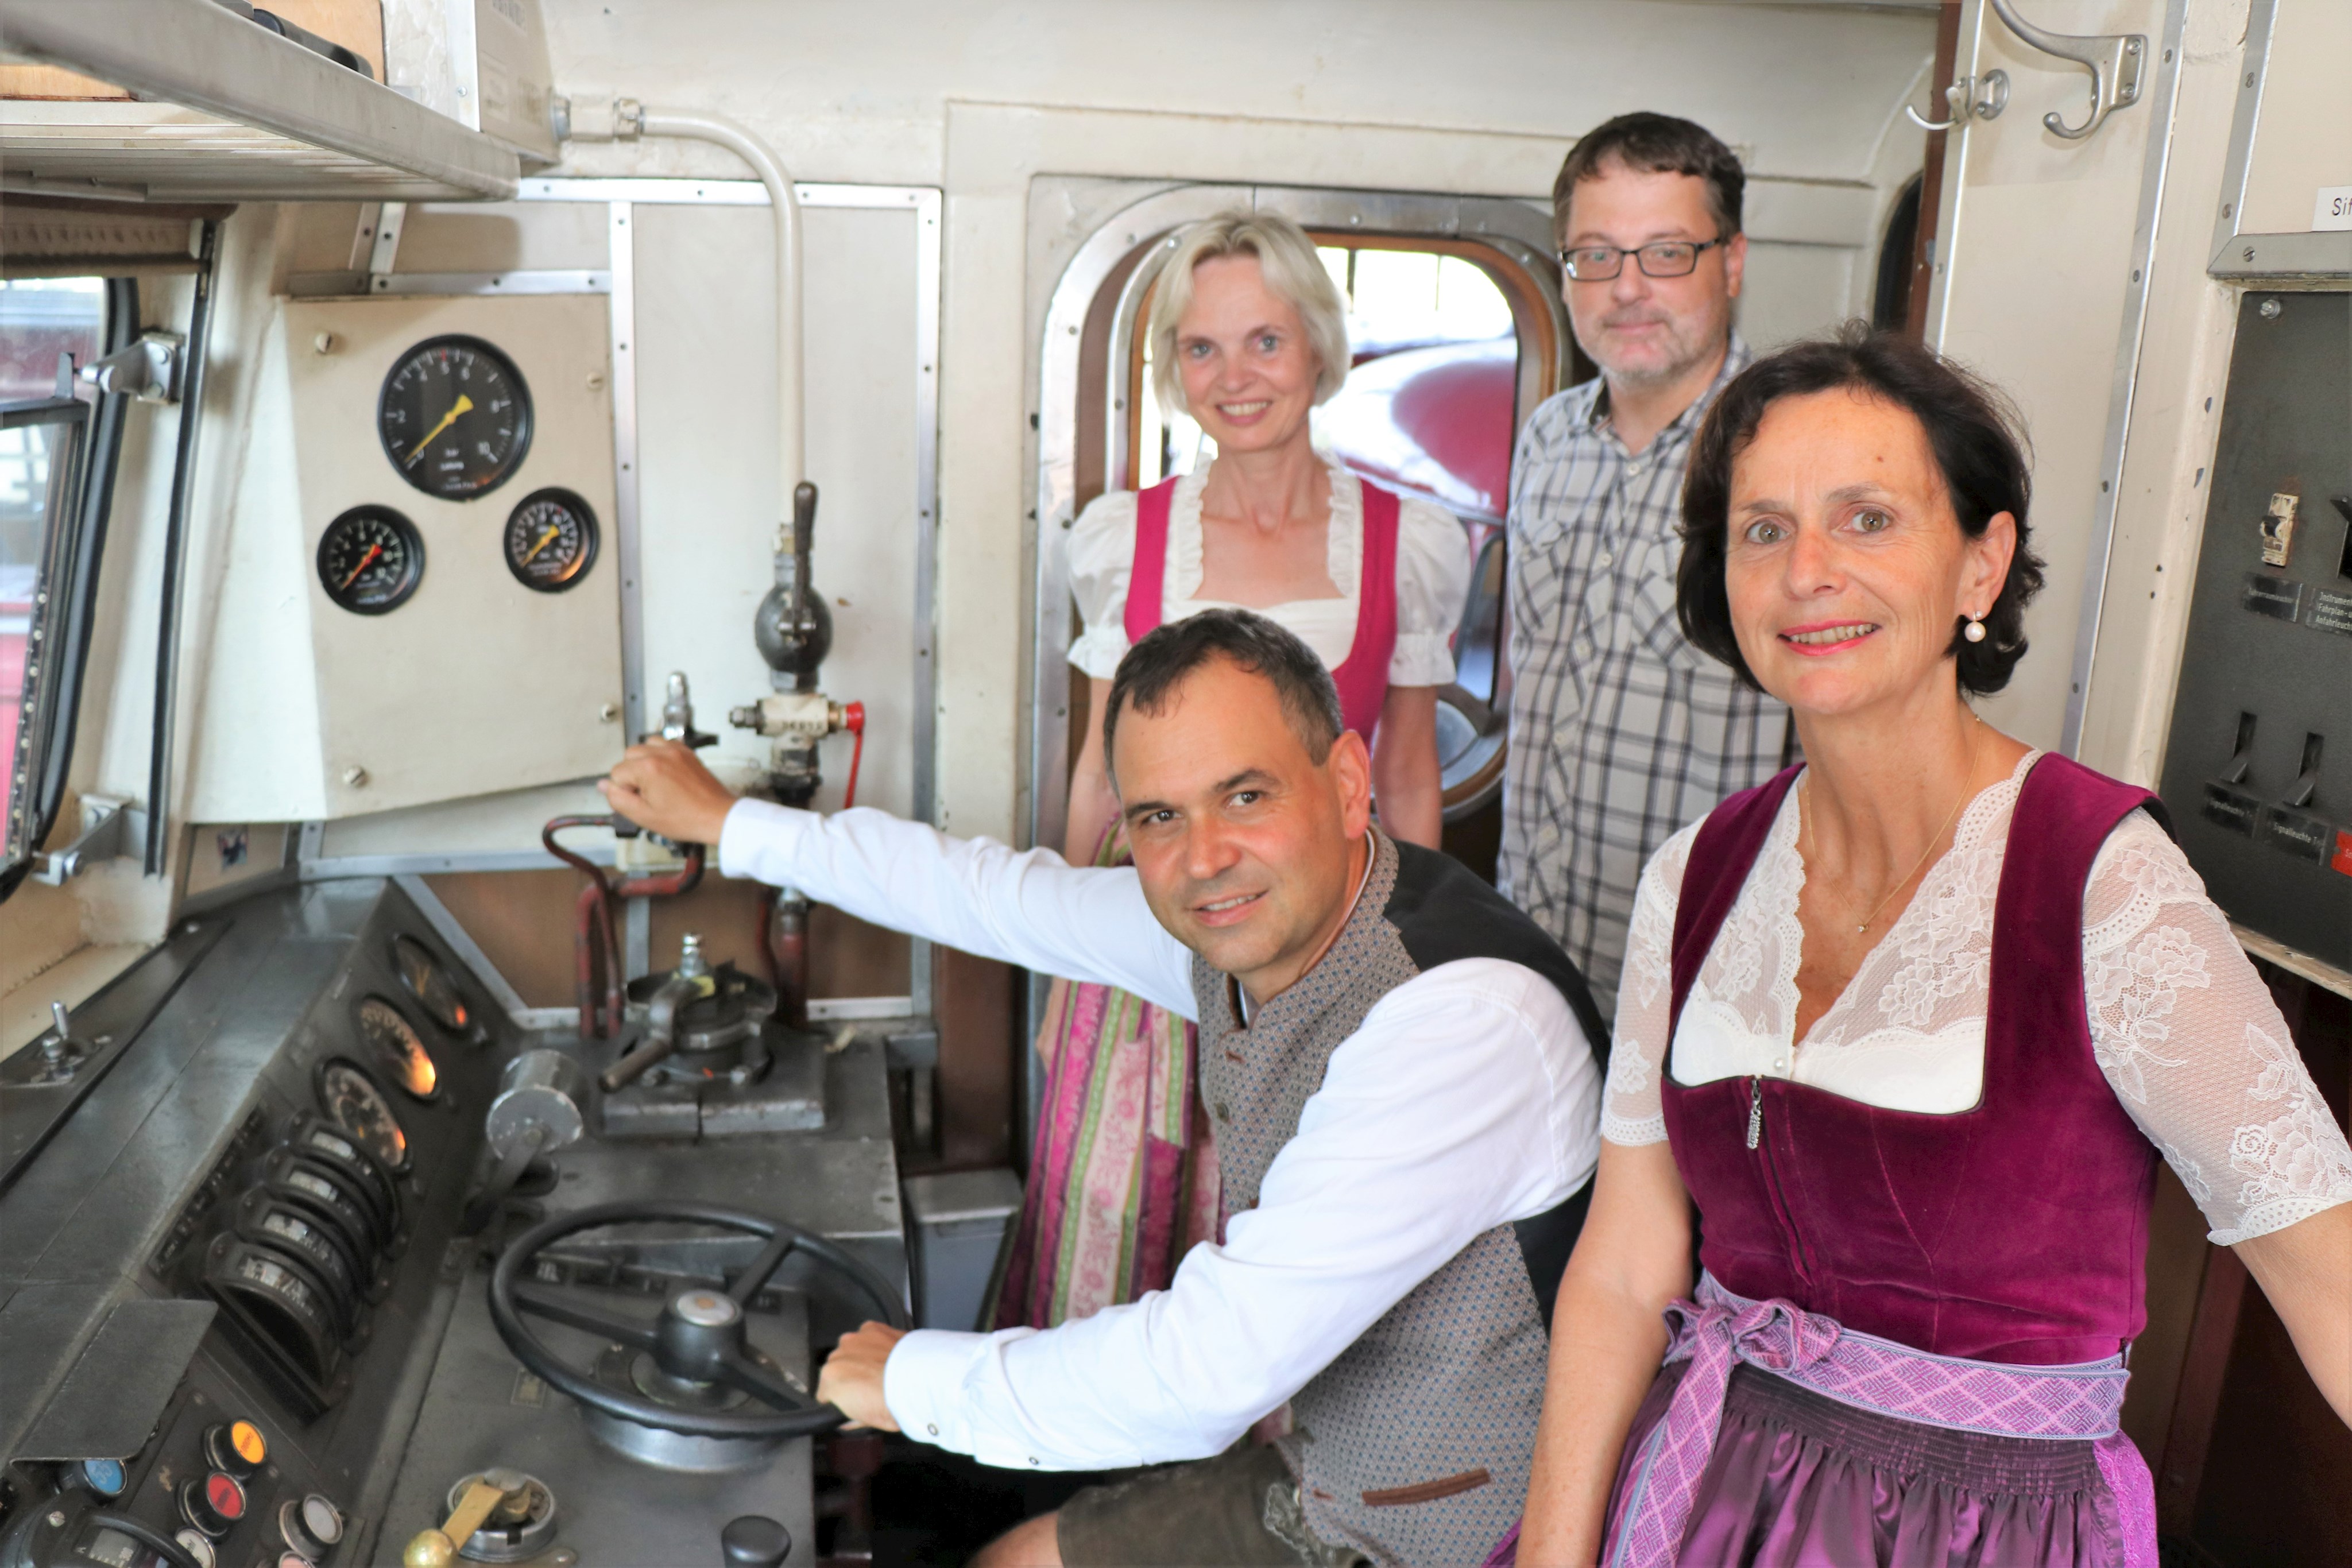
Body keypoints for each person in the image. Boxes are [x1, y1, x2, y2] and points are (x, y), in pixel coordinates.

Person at [1499, 329, 2352, 1567]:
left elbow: (2327, 1277)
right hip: (1695, 1492)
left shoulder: (2101, 882)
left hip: (1982, 1529)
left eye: (1866, 519)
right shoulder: (1693, 875)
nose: (1807, 573)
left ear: (1978, 564)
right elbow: (1630, 1267)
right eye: (1762, 530)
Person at [603, 610, 1604, 1568]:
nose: (1205, 856)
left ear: (1347, 783)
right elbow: (994, 896)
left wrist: (911, 1380)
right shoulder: (1250, 922)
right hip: (1338, 1464)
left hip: (1468, 1529)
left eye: (1246, 795)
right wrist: (733, 824)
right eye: (1160, 816)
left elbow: (1212, 1365)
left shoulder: (1457, 1026)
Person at [997, 210, 1472, 1337]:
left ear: (1317, 348)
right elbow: (1099, 776)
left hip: (1323, 936)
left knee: (1285, 1233)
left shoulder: (1407, 542)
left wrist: (1411, 971)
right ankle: (1101, 1485)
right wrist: (1067, 971)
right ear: (1172, 371)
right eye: (1200, 349)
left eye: (1263, 341)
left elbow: (1404, 777)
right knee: (1117, 1215)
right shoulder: (1126, 537)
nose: (1234, 375)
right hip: (1148, 931)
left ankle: (1254, 1491)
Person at [1503, 112, 1789, 1020]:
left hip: (1700, 974)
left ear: (1732, 262)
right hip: (1532, 952)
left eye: (1667, 253)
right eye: (1596, 254)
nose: (1627, 288)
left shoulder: (1789, 449)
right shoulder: (1549, 437)